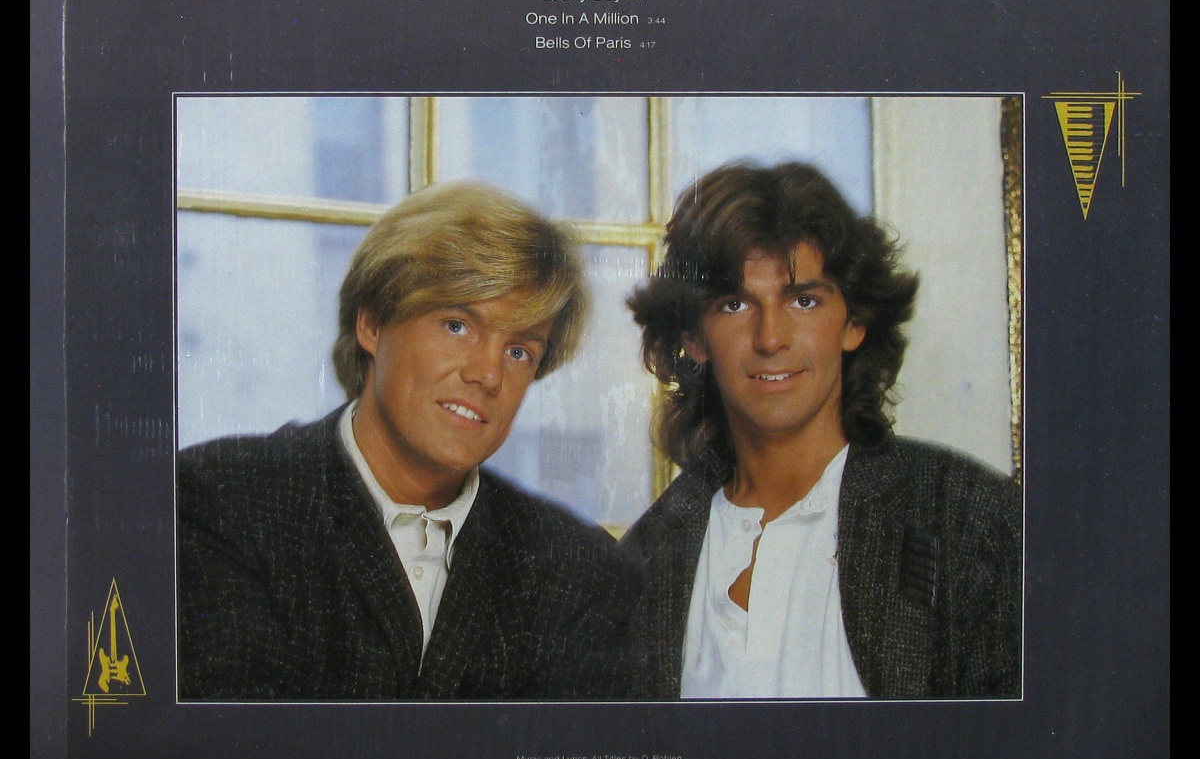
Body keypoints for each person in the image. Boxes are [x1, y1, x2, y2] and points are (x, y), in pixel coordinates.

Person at [178, 181, 631, 700]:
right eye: (457, 326)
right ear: (372, 324)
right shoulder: (220, 502)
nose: (488, 375)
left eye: (519, 352)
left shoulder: (577, 569)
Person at [623, 161, 1021, 699]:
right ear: (694, 338)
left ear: (854, 322)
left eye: (803, 301)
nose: (771, 338)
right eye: (735, 304)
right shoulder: (644, 562)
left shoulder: (971, 519)